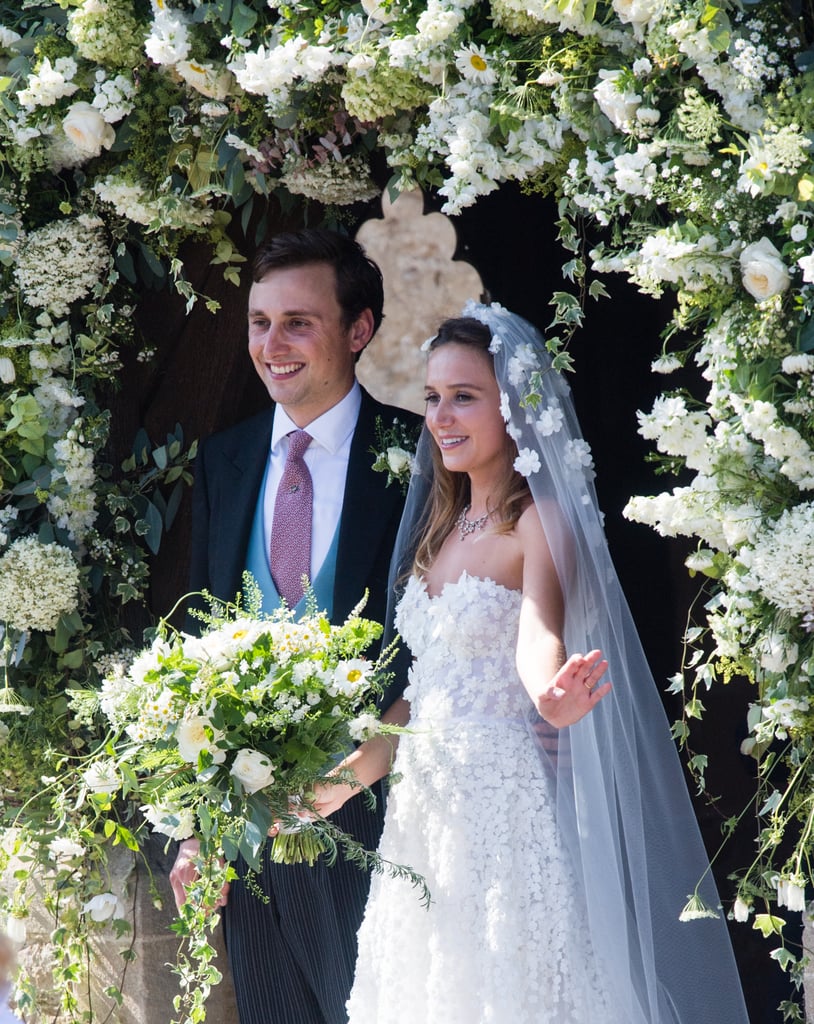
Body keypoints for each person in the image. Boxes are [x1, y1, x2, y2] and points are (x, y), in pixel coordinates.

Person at [314, 304, 750, 1023]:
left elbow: (538, 634)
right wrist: (335, 786)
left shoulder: (534, 521)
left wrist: (551, 696)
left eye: (464, 396)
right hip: (425, 819)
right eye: (432, 396)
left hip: (500, 811)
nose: (442, 415)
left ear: (511, 406)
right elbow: (423, 699)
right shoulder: (442, 531)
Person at [169, 228, 421, 1024]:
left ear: (358, 330)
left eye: (298, 323)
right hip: (244, 841)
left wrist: (348, 779)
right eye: (258, 322)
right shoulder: (225, 459)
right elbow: (195, 651)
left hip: (378, 830)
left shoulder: (418, 455)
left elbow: (435, 654)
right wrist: (196, 828)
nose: (271, 345)